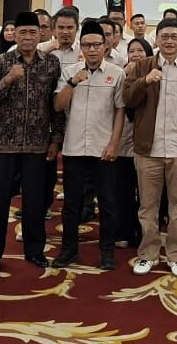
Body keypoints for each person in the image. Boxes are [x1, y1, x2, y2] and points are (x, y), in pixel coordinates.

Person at [123, 18, 177, 277]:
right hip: (148, 149)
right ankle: (148, 254)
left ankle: (176, 255)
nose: (169, 41)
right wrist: (145, 81)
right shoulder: (142, 66)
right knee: (147, 207)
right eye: (164, 36)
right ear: (157, 39)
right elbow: (128, 100)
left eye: (174, 36)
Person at [0, 11, 64, 272]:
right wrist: (7, 80)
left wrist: (56, 139)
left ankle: (35, 251)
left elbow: (55, 107)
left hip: (37, 145)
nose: (28, 37)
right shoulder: (1, 61)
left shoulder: (51, 63)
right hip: (3, 144)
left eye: (32, 32)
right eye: (22, 32)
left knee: (35, 202)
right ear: (14, 35)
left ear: (41, 35)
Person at [52, 19, 125, 270]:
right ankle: (69, 250)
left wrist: (114, 143)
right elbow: (58, 106)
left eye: (96, 45)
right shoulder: (69, 71)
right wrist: (73, 83)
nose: (92, 50)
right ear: (81, 47)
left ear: (105, 46)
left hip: (103, 149)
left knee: (107, 203)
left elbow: (120, 111)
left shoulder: (117, 73)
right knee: (72, 204)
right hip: (74, 148)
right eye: (86, 45)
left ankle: (107, 253)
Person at [115, 38, 153, 246]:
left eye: (141, 50)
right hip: (124, 140)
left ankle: (145, 233)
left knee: (147, 193)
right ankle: (125, 231)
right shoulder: (120, 73)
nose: (136, 54)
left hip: (148, 143)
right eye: (132, 51)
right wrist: (126, 75)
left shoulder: (156, 74)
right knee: (123, 189)